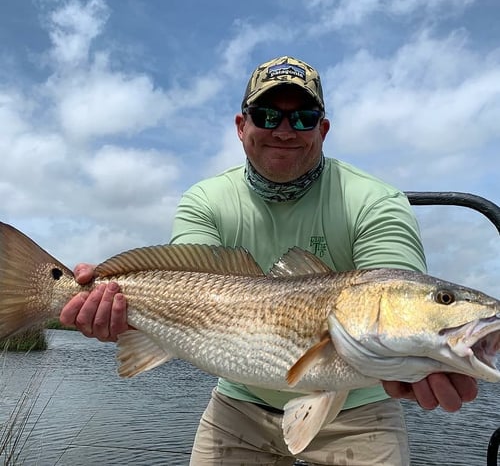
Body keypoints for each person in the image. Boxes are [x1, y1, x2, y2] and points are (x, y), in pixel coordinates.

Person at [61, 56, 478, 465]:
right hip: (239, 402)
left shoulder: (376, 200)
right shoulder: (205, 200)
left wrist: (420, 360)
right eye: (266, 115)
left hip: (361, 406)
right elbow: (184, 288)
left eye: (303, 117)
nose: (284, 130)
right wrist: (116, 312)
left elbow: (398, 286)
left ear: (323, 129)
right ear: (242, 127)